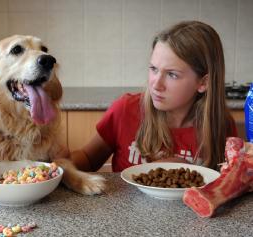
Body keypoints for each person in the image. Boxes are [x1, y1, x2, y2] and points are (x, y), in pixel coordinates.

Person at [69, 21, 237, 172]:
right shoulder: (126, 109)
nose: (156, 85)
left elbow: (228, 185)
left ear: (203, 82)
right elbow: (88, 159)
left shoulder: (220, 124)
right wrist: (59, 162)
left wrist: (189, 173)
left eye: (172, 74)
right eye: (154, 69)